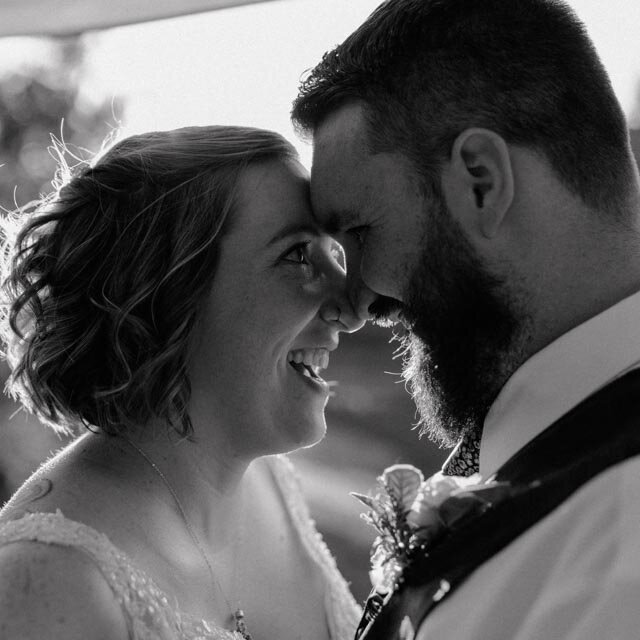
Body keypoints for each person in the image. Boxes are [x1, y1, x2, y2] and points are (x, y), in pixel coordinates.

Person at [292, 0, 640, 638]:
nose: (358, 303)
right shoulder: (516, 446)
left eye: (361, 234)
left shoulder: (623, 546)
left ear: (481, 180)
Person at [0, 125, 364, 640]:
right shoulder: (44, 586)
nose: (352, 308)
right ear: (167, 295)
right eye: (298, 255)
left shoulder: (267, 482)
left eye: (336, 254)